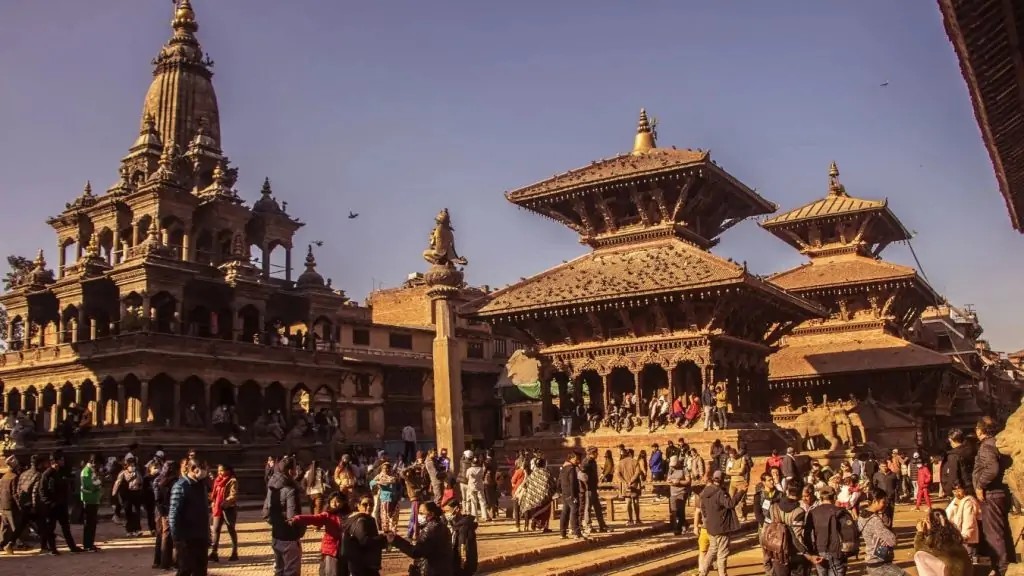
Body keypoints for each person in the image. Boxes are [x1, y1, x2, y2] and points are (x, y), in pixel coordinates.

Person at [972, 416, 1013, 576]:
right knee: (1002, 531)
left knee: (994, 533)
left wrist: (981, 485)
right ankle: (1007, 565)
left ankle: (1002, 569)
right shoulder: (997, 443)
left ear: (980, 430)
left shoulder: (986, 446)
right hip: (1001, 493)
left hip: (991, 494)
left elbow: (992, 469)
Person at [290, 490, 350, 576]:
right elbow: (314, 518)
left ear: (343, 502)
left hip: (345, 550)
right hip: (331, 550)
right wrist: (297, 518)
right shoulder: (327, 515)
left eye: (337, 501)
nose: (334, 504)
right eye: (332, 501)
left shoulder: (348, 516)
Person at [387, 501, 454, 576]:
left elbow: (416, 552)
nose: (419, 516)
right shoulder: (443, 527)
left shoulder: (429, 530)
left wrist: (396, 540)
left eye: (422, 513)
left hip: (431, 571)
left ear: (431, 514)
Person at [698, 470, 746, 576]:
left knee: (712, 549)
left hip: (710, 526)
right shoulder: (720, 492)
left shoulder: (705, 492)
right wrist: (741, 492)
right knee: (722, 553)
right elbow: (730, 504)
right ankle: (722, 574)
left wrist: (708, 519)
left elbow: (703, 509)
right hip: (722, 526)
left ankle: (703, 572)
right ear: (722, 480)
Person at [169, 459, 211, 576]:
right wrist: (177, 538)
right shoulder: (181, 486)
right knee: (185, 570)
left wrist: (207, 534)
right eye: (203, 469)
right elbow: (173, 514)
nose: (205, 472)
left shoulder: (202, 486)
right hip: (186, 538)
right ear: (193, 469)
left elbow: (204, 512)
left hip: (201, 536)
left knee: (201, 570)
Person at [264, 456, 304, 576]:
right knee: (291, 571)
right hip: (289, 535)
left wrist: (276, 523)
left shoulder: (271, 486)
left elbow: (266, 512)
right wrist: (301, 529)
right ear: (291, 471)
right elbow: (294, 516)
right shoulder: (291, 489)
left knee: (279, 570)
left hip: (276, 534)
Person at [805, 486, 857, 576]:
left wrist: (811, 552)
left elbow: (807, 534)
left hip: (819, 551)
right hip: (837, 551)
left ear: (820, 498)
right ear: (834, 497)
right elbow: (851, 532)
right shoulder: (841, 512)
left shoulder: (812, 512)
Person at [38, 452, 82, 555]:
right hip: (52, 506)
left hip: (61, 505)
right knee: (50, 528)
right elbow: (42, 491)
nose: (63, 462)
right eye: (61, 460)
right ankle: (52, 548)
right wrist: (49, 503)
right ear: (55, 461)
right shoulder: (47, 474)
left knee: (66, 527)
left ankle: (72, 547)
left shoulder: (60, 473)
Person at [763, 483, 808, 576]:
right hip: (794, 553)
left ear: (787, 491)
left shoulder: (773, 507)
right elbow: (797, 536)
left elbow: (765, 529)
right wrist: (806, 553)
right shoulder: (799, 512)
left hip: (777, 552)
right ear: (800, 494)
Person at [857, 489, 905, 576]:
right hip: (879, 563)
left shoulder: (861, 516)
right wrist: (893, 534)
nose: (886, 505)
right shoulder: (875, 520)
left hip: (871, 559)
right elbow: (892, 540)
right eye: (883, 502)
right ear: (875, 501)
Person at [913, 507, 972, 576]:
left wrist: (920, 532)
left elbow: (918, 547)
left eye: (927, 521)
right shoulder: (952, 534)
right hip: (967, 573)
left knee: (919, 555)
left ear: (933, 524)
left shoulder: (936, 540)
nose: (925, 523)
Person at [344, 494, 387, 576]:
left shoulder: (363, 518)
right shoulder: (362, 520)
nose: (368, 507)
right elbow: (364, 541)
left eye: (371, 505)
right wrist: (383, 538)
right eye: (365, 504)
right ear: (358, 505)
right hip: (364, 565)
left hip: (360, 564)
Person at [208, 464, 238, 562]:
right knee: (215, 529)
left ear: (228, 470)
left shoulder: (232, 481)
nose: (220, 473)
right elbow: (214, 494)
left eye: (222, 471)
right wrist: (213, 501)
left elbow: (233, 495)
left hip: (228, 508)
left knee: (231, 529)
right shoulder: (217, 480)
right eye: (219, 471)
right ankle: (214, 552)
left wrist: (225, 502)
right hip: (217, 508)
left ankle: (234, 552)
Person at [945, 481, 980, 564]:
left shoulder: (968, 502)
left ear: (964, 490)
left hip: (967, 537)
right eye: (954, 491)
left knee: (969, 558)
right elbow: (948, 514)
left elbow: (969, 520)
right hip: (959, 535)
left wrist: (965, 535)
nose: (957, 493)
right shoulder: (955, 501)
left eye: (959, 490)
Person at [153, 461, 178, 570]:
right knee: (167, 536)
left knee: (160, 535)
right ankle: (166, 562)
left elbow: (156, 497)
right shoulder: (173, 481)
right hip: (167, 509)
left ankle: (157, 561)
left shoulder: (158, 479)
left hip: (159, 510)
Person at [444, 500, 479, 576]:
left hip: (462, 562)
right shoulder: (454, 523)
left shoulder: (464, 526)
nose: (446, 514)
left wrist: (462, 561)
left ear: (456, 509)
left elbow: (463, 545)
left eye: (448, 511)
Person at [581, 447, 609, 533]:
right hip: (588, 488)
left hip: (593, 487)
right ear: (591, 453)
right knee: (588, 507)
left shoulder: (593, 462)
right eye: (596, 453)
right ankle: (588, 525)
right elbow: (582, 474)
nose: (597, 455)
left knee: (597, 507)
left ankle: (602, 525)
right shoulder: (586, 462)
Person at [79, 454, 103, 552]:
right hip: (89, 499)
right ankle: (87, 545)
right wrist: (98, 486)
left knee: (92, 523)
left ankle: (90, 543)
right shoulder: (86, 471)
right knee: (89, 524)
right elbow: (89, 485)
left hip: (94, 499)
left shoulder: (92, 471)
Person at [558, 451, 582, 540]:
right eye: (577, 459)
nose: (578, 461)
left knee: (565, 512)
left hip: (565, 493)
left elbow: (559, 481)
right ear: (571, 458)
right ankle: (576, 532)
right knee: (574, 512)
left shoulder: (563, 468)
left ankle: (562, 533)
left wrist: (560, 491)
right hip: (571, 494)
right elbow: (573, 483)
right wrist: (573, 495)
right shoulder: (571, 468)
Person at [616, 448, 643, 525]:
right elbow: (638, 472)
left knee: (628, 502)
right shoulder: (635, 461)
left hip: (625, 486)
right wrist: (631, 480)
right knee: (636, 502)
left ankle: (630, 520)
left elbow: (617, 474)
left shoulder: (620, 463)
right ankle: (637, 520)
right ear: (631, 454)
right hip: (635, 485)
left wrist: (624, 482)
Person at [668, 455, 692, 535]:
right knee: (674, 511)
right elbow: (667, 479)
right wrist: (670, 481)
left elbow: (688, 481)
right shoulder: (671, 469)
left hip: (682, 492)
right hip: (673, 492)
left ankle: (678, 529)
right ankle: (684, 523)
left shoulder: (684, 469)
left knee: (680, 511)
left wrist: (679, 482)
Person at [0, 456, 20, 555]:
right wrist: (19, 504)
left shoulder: (4, 476)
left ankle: (1, 542)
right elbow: (15, 493)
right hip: (11, 505)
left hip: (3, 504)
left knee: (4, 526)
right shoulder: (14, 477)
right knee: (15, 525)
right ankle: (18, 543)